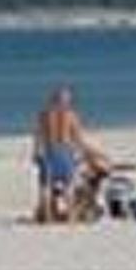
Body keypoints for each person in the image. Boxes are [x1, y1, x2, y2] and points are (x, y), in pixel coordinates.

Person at [31, 87, 99, 224]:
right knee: (68, 187)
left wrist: (36, 152)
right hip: (64, 153)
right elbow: (78, 140)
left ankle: (48, 218)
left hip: (48, 153)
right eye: (68, 99)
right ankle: (70, 218)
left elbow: (38, 136)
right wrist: (91, 153)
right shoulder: (71, 116)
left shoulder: (43, 115)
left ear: (53, 99)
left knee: (45, 187)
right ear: (66, 100)